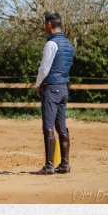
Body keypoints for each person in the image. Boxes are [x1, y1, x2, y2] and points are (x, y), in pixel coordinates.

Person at [32, 12, 74, 175]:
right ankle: (64, 164)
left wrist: (38, 84)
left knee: (48, 126)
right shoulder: (69, 44)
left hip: (51, 87)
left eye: (45, 24)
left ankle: (49, 166)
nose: (44, 27)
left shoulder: (51, 44)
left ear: (49, 24)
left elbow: (44, 68)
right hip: (63, 87)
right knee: (61, 126)